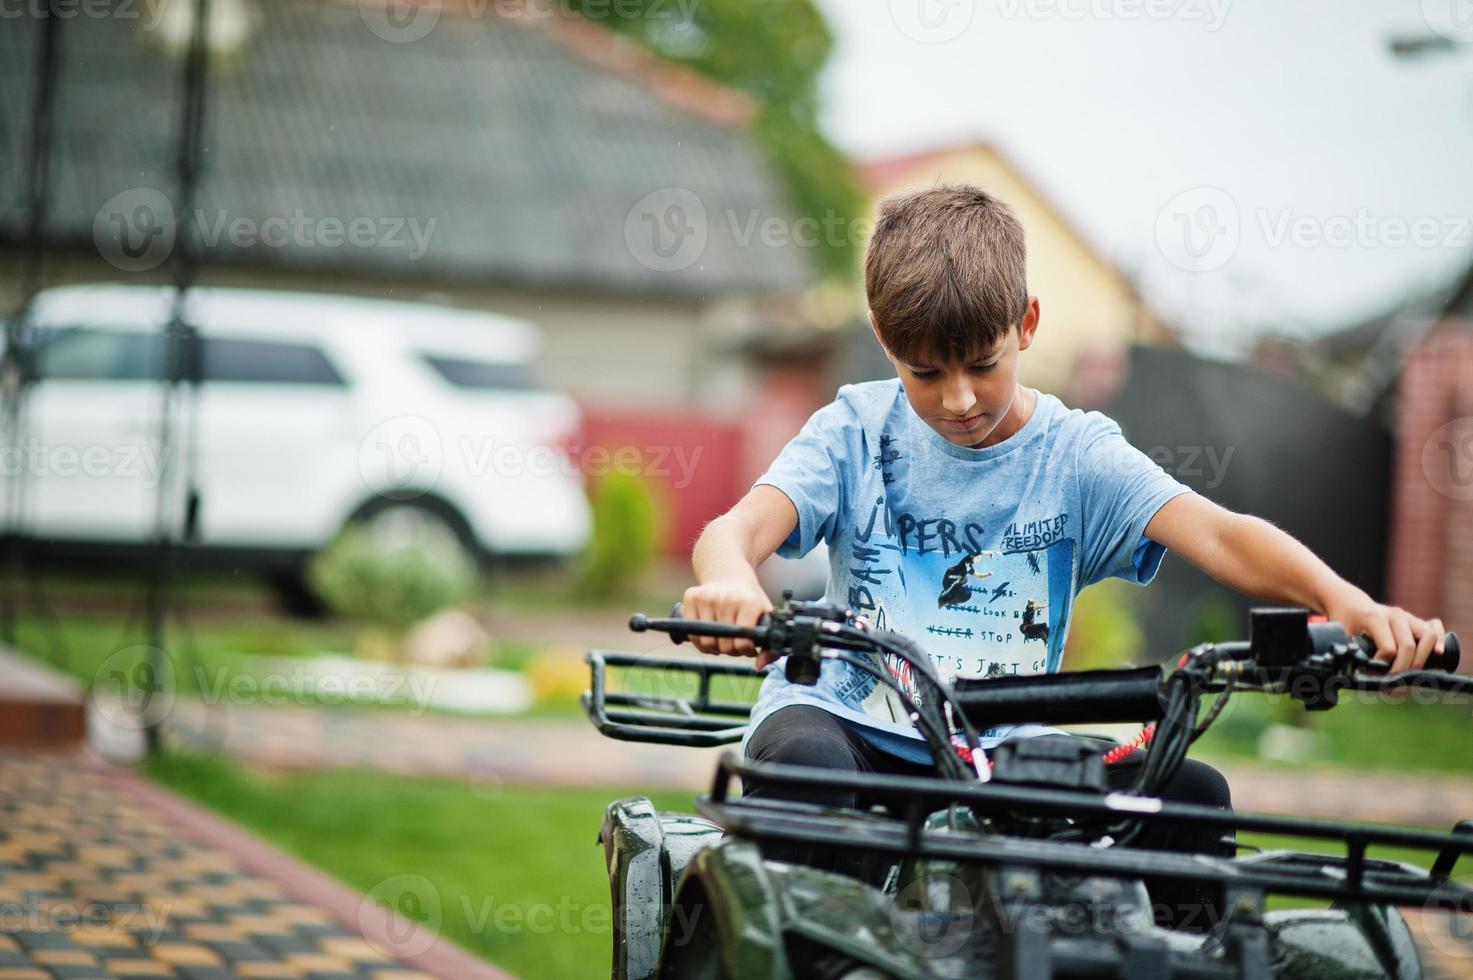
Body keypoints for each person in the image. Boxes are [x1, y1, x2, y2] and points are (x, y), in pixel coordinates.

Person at [680, 184, 1449, 932]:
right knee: (801, 773)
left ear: (1027, 324)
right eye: (924, 372)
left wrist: (1347, 603)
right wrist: (727, 581)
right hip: (846, 721)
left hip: (998, 751)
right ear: (886, 342)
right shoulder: (854, 428)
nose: (956, 400)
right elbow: (735, 529)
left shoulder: (1074, 454)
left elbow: (1219, 534)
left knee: (1190, 797)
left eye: (981, 363)